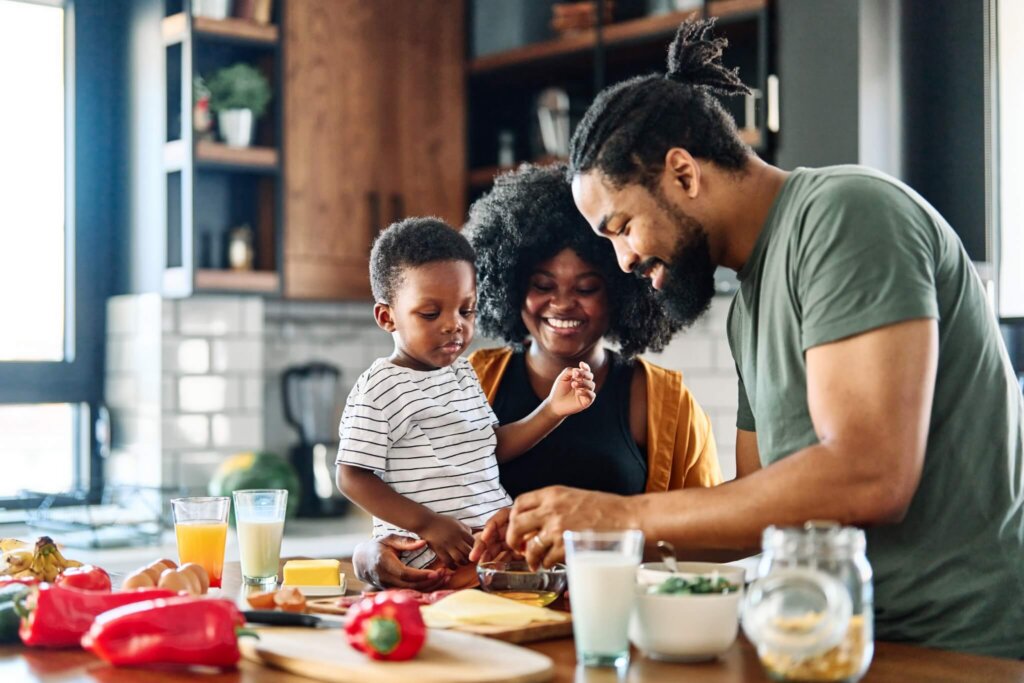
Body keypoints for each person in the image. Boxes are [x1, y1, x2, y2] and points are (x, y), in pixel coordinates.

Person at [501, 19, 1024, 659]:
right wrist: (572, 539)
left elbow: (871, 474)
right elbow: (750, 521)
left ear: (684, 174)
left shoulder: (848, 216)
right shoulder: (747, 307)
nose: (623, 261)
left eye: (622, 226)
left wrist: (621, 518)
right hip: (832, 640)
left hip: (957, 649)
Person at [351, 164, 722, 590]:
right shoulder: (464, 379)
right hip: (482, 621)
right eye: (543, 285)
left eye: (586, 288)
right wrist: (368, 555)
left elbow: (706, 540)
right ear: (509, 284)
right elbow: (407, 500)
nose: (562, 304)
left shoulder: (664, 403)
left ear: (622, 290)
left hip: (607, 618)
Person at [335, 217, 596, 578]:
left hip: (486, 555)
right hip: (428, 562)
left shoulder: (461, 373)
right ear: (386, 317)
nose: (453, 324)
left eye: (466, 309)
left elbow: (488, 446)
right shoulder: (381, 386)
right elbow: (351, 475)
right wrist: (427, 523)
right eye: (430, 313)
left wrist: (552, 409)